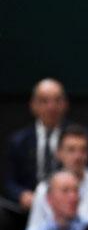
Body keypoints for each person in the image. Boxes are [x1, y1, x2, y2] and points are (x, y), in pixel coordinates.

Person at [28, 124, 88, 230]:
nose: (78, 156)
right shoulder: (44, 190)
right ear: (58, 153)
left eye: (83, 150)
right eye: (71, 150)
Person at [4, 78, 69, 210]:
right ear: (33, 105)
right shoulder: (18, 141)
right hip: (28, 207)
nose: (51, 107)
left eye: (57, 100)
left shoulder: (78, 138)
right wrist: (21, 195)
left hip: (69, 204)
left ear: (65, 104)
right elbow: (8, 181)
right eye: (44, 101)